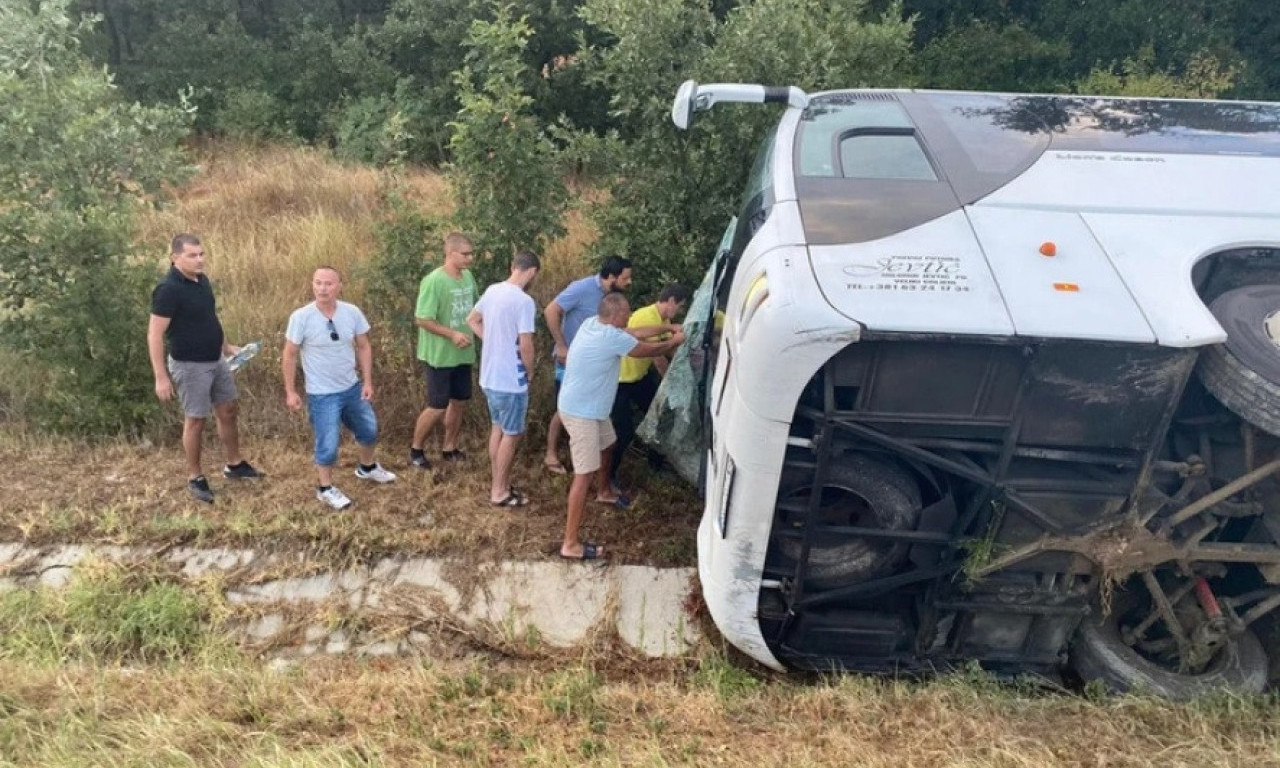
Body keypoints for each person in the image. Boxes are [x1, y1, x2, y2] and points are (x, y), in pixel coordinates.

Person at [557, 293, 684, 560]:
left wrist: (667, 327)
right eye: (626, 312)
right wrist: (674, 341)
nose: (629, 316)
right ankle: (570, 544)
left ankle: (604, 491)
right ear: (615, 316)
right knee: (583, 475)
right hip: (581, 413)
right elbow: (645, 349)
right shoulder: (609, 338)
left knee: (610, 444)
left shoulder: (593, 323)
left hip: (591, 409)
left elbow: (635, 332)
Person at [147, 233, 262, 504]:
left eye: (201, 254)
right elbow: (154, 335)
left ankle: (234, 465)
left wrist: (227, 347)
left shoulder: (202, 281)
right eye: (192, 255)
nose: (200, 260)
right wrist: (160, 377)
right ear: (175, 258)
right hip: (189, 365)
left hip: (216, 360)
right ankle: (195, 477)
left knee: (228, 410)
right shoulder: (167, 290)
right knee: (196, 421)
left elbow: (209, 318)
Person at [282, 267, 396, 510]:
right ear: (312, 285)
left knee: (369, 430)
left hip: (351, 387)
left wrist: (367, 381)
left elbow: (363, 346)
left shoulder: (351, 312)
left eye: (328, 284)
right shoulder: (301, 317)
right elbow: (289, 354)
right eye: (318, 283)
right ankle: (325, 488)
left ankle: (366, 468)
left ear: (339, 286)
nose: (322, 288)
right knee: (328, 442)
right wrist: (291, 391)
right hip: (322, 394)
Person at [543, 256, 633, 475]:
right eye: (625, 277)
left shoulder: (612, 298)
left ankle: (587, 454)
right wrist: (561, 346)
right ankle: (551, 453)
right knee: (564, 408)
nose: (629, 282)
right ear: (611, 277)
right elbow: (551, 310)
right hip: (571, 359)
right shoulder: (582, 288)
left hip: (593, 363)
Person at [466, 251, 540, 507]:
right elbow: (526, 342)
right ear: (532, 272)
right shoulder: (524, 301)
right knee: (512, 433)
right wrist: (529, 370)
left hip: (489, 376)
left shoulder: (492, 290)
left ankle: (499, 482)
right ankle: (499, 491)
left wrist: (492, 340)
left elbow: (472, 320)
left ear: (513, 266)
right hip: (511, 379)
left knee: (498, 427)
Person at [610, 283, 690, 489]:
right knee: (623, 430)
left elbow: (670, 350)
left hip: (639, 378)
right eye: (680, 306)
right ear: (671, 301)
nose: (680, 311)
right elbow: (658, 356)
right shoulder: (647, 316)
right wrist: (671, 385)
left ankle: (655, 463)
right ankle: (609, 476)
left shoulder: (664, 319)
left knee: (661, 416)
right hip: (620, 381)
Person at [410, 232, 478, 470]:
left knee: (459, 401)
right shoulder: (434, 281)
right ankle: (416, 449)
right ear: (450, 254)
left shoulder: (468, 277)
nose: (470, 258)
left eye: (471, 253)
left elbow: (476, 310)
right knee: (437, 405)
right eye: (465, 254)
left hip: (463, 353)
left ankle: (450, 448)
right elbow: (422, 319)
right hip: (439, 355)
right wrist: (452, 334)